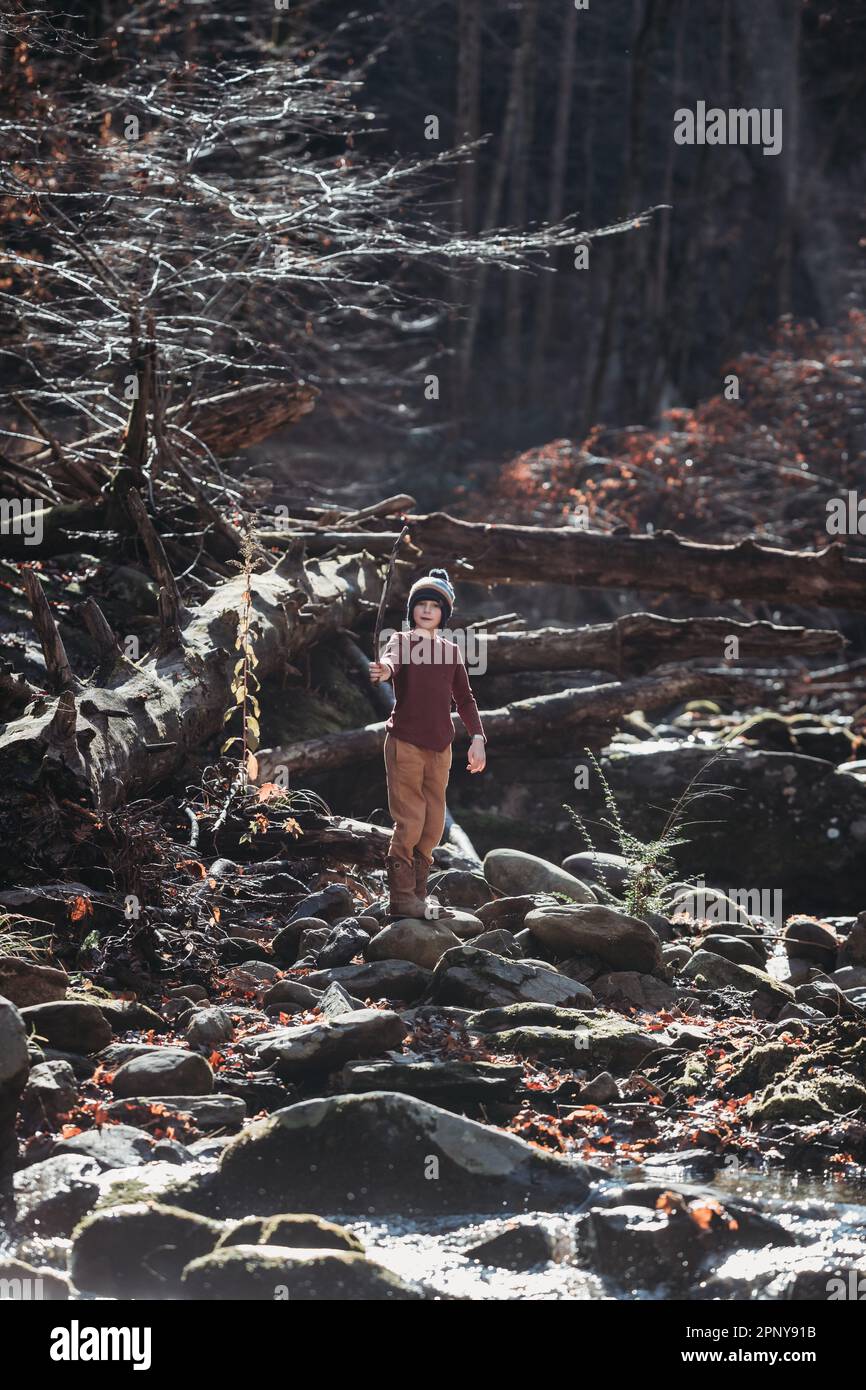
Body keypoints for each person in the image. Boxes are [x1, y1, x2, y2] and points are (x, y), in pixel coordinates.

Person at [370, 567, 487, 918]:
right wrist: (385, 671)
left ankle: (419, 896)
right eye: (420, 603)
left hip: (440, 748)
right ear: (411, 610)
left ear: (443, 614)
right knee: (410, 820)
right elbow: (392, 662)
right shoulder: (401, 641)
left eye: (434, 605)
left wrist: (478, 737)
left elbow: (465, 700)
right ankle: (401, 900)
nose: (426, 609)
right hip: (404, 741)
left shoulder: (451, 652)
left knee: (434, 824)